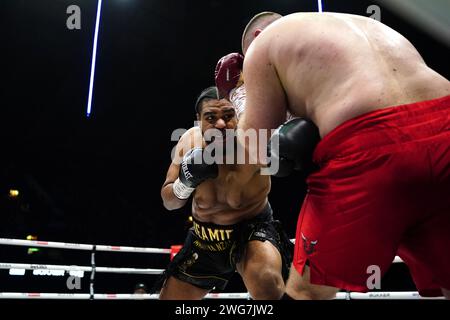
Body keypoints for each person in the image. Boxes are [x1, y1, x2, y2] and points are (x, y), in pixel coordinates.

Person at [224, 11, 450, 299]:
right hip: (445, 127)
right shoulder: (364, 26)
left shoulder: (262, 43)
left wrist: (239, 96)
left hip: (373, 143)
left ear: (255, 38)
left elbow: (256, 147)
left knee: (307, 291)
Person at [158, 86, 292, 300]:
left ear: (238, 116)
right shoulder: (188, 142)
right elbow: (170, 203)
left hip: (252, 230)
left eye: (228, 116)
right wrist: (185, 182)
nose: (221, 124)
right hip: (204, 238)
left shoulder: (257, 141)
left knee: (267, 282)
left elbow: (289, 121)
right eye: (211, 117)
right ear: (198, 119)